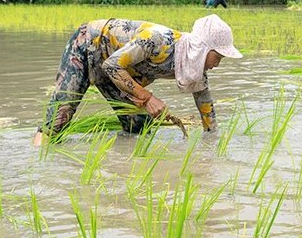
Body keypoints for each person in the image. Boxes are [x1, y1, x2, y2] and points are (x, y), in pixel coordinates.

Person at [33, 14, 243, 145]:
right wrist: (147, 98)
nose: (218, 64)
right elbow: (112, 65)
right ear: (203, 49)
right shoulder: (158, 40)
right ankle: (37, 167)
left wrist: (212, 140)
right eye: (218, 56)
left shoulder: (192, 65)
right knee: (58, 121)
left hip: (114, 73)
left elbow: (205, 102)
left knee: (139, 127)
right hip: (87, 47)